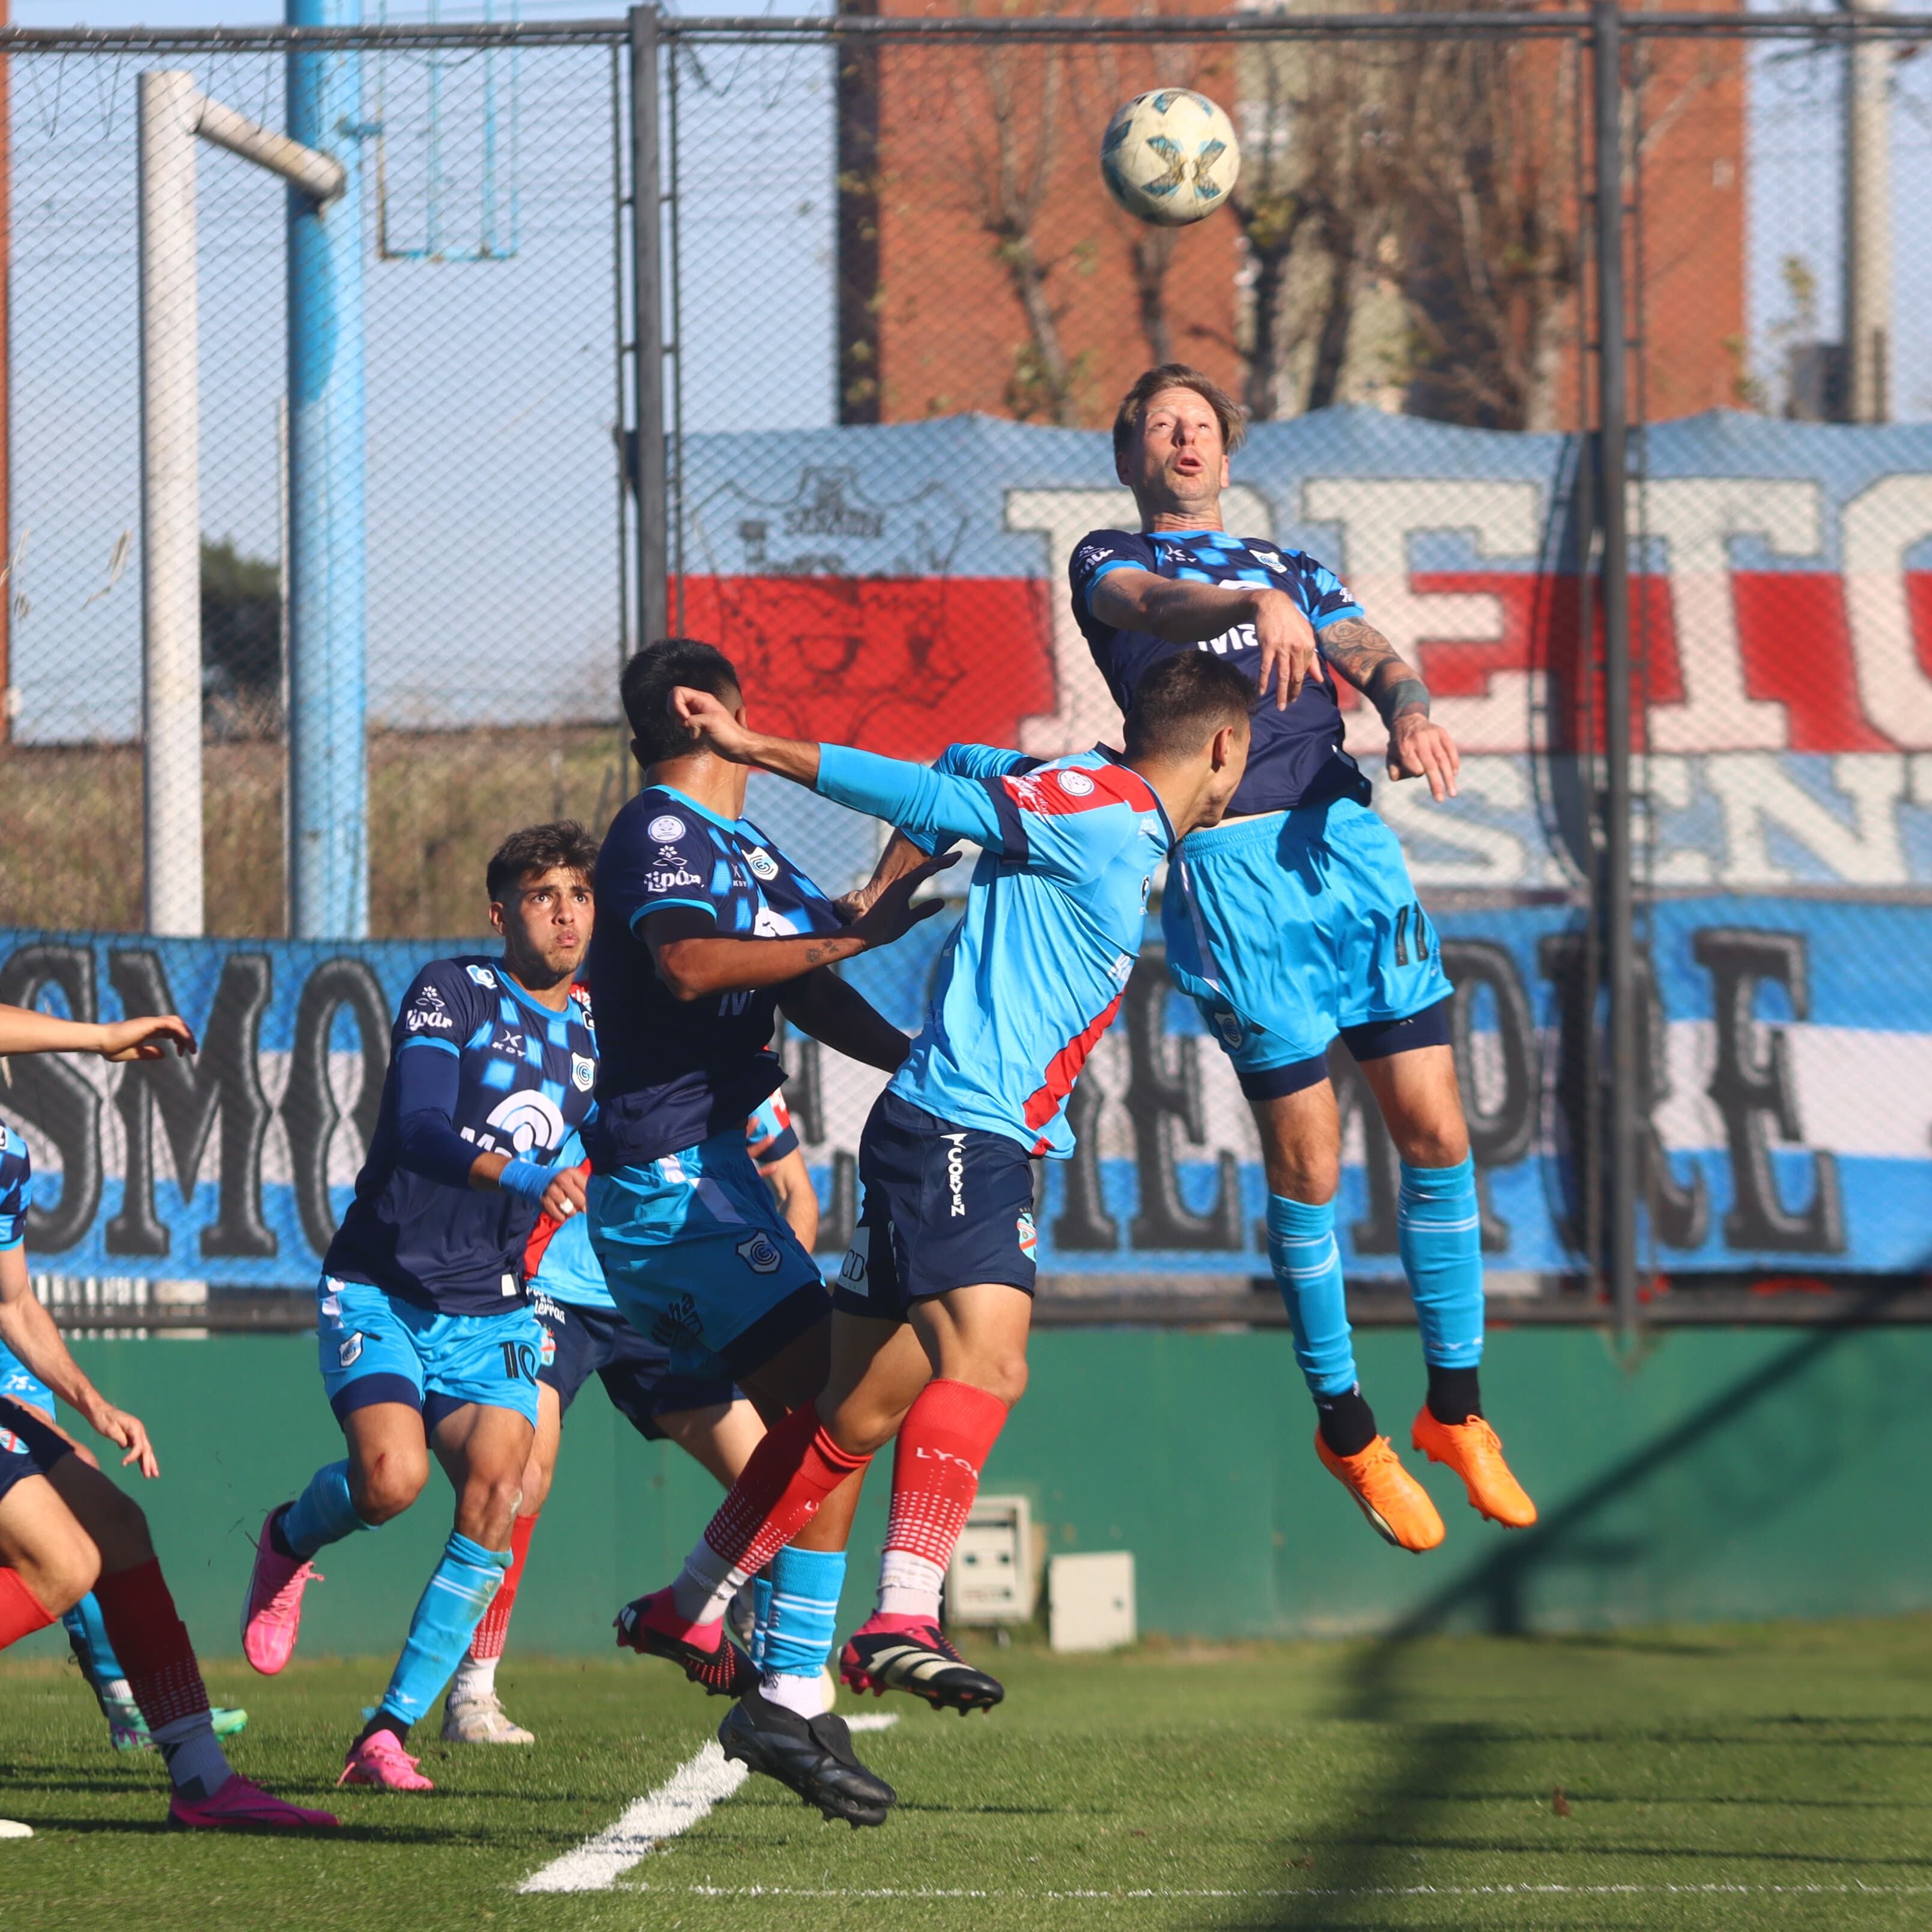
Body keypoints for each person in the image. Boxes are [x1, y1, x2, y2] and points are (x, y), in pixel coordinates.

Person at [618, 649, 1253, 1818]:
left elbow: (965, 763)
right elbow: (945, 792)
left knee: (848, 1412)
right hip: (965, 1134)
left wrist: (876, 892)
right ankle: (901, 1610)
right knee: (990, 1359)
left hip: (947, 1129)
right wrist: (768, 753)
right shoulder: (1104, 811)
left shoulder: (1107, 816)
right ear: (1225, 747)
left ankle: (696, 1602)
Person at [1068, 363, 1536, 1553]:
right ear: (1131, 457)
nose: (1185, 439)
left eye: (1203, 425)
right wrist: (1237, 603)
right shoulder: (1106, 559)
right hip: (1234, 875)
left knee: (1436, 1129)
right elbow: (1156, 610)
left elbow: (1363, 643)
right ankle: (1347, 1427)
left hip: (1348, 850)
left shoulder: (1289, 566)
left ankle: (1457, 1413)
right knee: (1311, 1156)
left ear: (1229, 454)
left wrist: (1411, 703)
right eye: (1162, 426)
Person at [586, 637, 949, 1827]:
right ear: (708, 711)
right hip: (669, 1186)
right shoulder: (661, 829)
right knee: (844, 1410)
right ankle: (779, 1684)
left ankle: (707, 1621)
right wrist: (851, 936)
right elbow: (691, 964)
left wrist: (915, 1064)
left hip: (713, 1183)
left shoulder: (742, 847)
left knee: (830, 1417)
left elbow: (808, 969)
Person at [240, 823, 601, 1793]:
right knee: (391, 1481)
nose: (565, 910)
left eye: (577, 891)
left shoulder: (604, 1030)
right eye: (541, 894)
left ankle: (387, 1730)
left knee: (503, 1489)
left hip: (496, 1312)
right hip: (385, 1285)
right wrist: (522, 1171)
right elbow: (415, 1129)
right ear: (500, 914)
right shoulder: (453, 991)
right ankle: (287, 1539)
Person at [0, 1003, 333, 1833]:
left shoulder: (6, 1153)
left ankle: (201, 1781)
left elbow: (12, 1300)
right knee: (63, 1563)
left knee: (117, 1528)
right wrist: (98, 1037)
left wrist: (91, 1400)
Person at [439, 1093, 816, 1745]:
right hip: (553, 1285)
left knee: (778, 1479)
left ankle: (769, 1645)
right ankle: (472, 1690)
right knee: (524, 1473)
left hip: (664, 1293)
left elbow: (796, 1192)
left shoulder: (731, 1064)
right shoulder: (587, 1037)